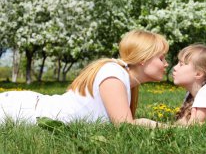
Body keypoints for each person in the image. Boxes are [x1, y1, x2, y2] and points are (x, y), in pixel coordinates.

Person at [0, 30, 169, 127]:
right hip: (20, 110)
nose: (166, 64)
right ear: (143, 59)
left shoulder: (120, 76)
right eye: (161, 58)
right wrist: (172, 128)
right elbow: (124, 125)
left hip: (26, 107)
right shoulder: (114, 75)